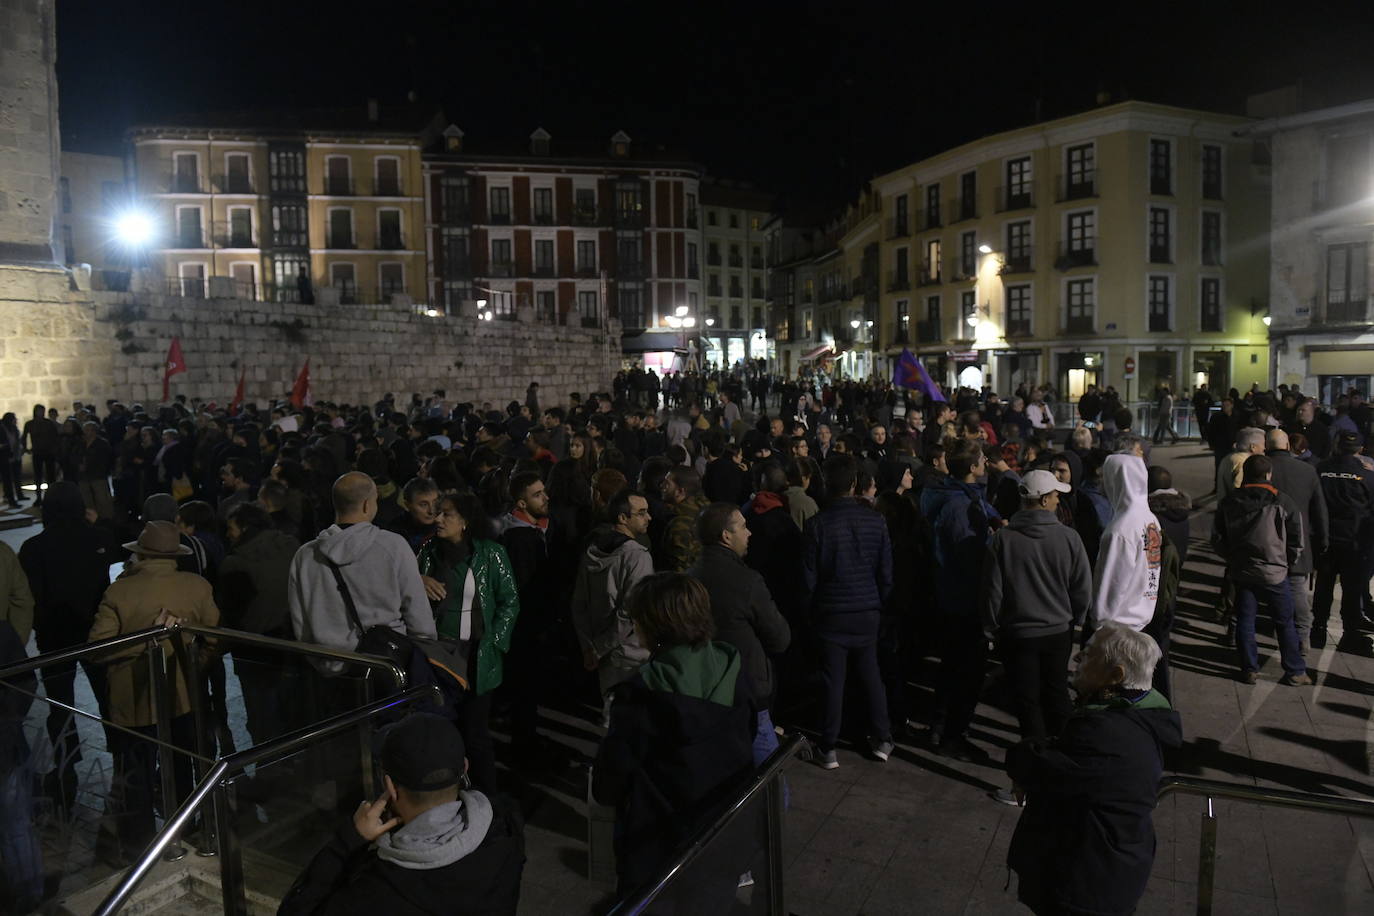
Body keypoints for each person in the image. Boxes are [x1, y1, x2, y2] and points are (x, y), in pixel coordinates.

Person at [591, 573, 757, 899]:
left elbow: (609, 784)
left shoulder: (640, 696)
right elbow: (748, 734)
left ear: (653, 626)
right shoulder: (733, 667)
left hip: (659, 852)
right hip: (723, 835)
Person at [1005, 623, 1182, 916]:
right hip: (1109, 866)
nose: (1077, 660)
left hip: (1088, 878)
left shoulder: (1106, 731)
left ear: (1117, 676)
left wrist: (1025, 756)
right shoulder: (1140, 716)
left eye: (1089, 656)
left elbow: (1042, 768)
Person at [278, 713, 525, 915]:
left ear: (391, 787)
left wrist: (347, 842)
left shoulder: (375, 893)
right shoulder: (506, 827)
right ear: (465, 768)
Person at [87, 520, 220, 859]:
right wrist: (194, 663)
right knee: (180, 764)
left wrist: (144, 641)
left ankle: (139, 848)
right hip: (182, 694)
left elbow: (98, 648)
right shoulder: (197, 586)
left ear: (140, 553)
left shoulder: (119, 591)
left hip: (132, 700)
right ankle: (185, 831)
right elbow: (215, 638)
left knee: (136, 775)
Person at [982, 470, 1093, 803]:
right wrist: (1075, 619)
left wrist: (990, 628)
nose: (1059, 500)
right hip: (1058, 632)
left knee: (1028, 705)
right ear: (1044, 500)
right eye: (1056, 495)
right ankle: (1072, 770)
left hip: (1018, 635)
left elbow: (993, 593)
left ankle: (1028, 785)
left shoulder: (1003, 539)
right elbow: (1082, 590)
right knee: (1058, 695)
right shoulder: (1069, 538)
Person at [18, 481, 113, 812]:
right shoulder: (97, 539)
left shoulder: (33, 548)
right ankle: (123, 754)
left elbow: (32, 597)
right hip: (95, 631)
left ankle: (65, 763)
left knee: (61, 705)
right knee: (107, 697)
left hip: (55, 636)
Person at [417, 492, 521, 792]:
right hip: (438, 655)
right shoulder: (427, 551)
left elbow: (509, 601)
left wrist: (496, 643)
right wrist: (417, 579)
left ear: (464, 521)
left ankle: (486, 800)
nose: (437, 519)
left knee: (475, 734)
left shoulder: (491, 554)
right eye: (437, 512)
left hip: (476, 656)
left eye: (446, 514)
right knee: (441, 729)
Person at [288, 472, 436, 669]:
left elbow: (301, 622)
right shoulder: (393, 546)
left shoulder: (305, 556)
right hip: (387, 667)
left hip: (328, 667)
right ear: (367, 504)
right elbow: (419, 616)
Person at [803, 454, 894, 769]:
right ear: (855, 484)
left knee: (833, 680)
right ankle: (883, 737)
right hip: (867, 609)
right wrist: (878, 602)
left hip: (832, 612)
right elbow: (886, 573)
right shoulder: (876, 520)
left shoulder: (817, 525)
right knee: (871, 675)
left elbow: (809, 578)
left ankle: (828, 747)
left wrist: (812, 611)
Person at [688, 502, 792, 765]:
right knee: (769, 783)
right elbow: (779, 638)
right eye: (743, 527)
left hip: (703, 687)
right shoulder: (747, 581)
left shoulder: (689, 577)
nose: (749, 533)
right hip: (746, 689)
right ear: (726, 535)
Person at [925, 441, 1000, 760]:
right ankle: (953, 734)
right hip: (962, 598)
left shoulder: (959, 495)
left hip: (953, 595)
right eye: (982, 459)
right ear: (972, 468)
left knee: (953, 667)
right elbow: (967, 555)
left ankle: (940, 727)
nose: (986, 462)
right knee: (966, 671)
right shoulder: (958, 505)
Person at [1213, 455, 1311, 685]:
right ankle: (1296, 671)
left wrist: (1232, 558)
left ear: (1245, 474)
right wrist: (1286, 561)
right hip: (1275, 572)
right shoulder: (1283, 502)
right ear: (1268, 475)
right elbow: (1297, 539)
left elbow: (1217, 538)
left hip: (1243, 570)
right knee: (1284, 622)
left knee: (1245, 619)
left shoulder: (1229, 502)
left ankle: (1249, 668)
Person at [215, 503, 301, 747]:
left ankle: (269, 771)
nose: (227, 534)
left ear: (243, 528)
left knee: (263, 717)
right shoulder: (292, 546)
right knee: (291, 710)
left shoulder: (236, 564)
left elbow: (231, 614)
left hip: (255, 652)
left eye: (231, 528)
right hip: (294, 645)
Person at [571, 489, 656, 703]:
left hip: (600, 650)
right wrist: (599, 648)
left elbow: (579, 604)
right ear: (623, 518)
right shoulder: (637, 556)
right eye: (642, 513)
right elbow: (630, 612)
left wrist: (589, 647)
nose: (649, 517)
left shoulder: (592, 550)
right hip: (630, 653)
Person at [1265, 429, 1328, 650]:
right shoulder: (1307, 471)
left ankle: (1278, 628)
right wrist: (1323, 540)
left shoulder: (1262, 468)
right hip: (1299, 540)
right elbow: (1319, 510)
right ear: (1288, 447)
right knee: (1297, 590)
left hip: (1266, 541)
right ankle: (1302, 636)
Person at [1313, 432, 1374, 654]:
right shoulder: (1367, 476)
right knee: (1351, 588)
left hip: (1326, 538)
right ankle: (1349, 633)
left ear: (1337, 446)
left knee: (1324, 585)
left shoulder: (1320, 469)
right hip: (1354, 542)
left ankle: (1318, 629)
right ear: (1360, 449)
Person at [657, 466, 709, 572]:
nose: (662, 486)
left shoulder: (680, 525)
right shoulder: (705, 511)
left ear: (680, 492)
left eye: (667, 483)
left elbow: (679, 568)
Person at [22, 404, 60, 506]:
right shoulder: (30, 424)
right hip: (37, 452)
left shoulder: (48, 423)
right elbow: (24, 436)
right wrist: (25, 448)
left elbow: (55, 437)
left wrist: (55, 449)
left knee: (50, 476)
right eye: (39, 411)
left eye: (42, 411)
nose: (41, 413)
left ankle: (52, 497)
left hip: (48, 452)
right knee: (38, 476)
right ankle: (39, 497)